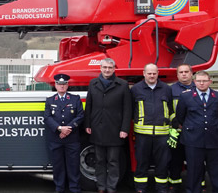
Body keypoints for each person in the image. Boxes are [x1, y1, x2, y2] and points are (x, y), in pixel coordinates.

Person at [85, 58, 132, 193]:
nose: (107, 70)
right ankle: (101, 186)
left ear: (114, 69)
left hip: (115, 130)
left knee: (113, 161)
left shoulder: (122, 85)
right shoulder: (93, 83)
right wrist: (87, 124)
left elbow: (127, 109)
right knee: (99, 161)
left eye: (110, 68)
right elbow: (89, 105)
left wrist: (124, 129)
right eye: (104, 67)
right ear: (100, 68)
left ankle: (111, 187)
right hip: (97, 129)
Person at [131, 63, 173, 193]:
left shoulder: (166, 88)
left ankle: (161, 188)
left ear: (158, 74)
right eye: (149, 73)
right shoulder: (135, 89)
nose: (152, 76)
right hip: (142, 135)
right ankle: (140, 188)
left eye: (154, 73)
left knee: (162, 163)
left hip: (162, 134)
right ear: (144, 74)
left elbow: (170, 109)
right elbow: (131, 110)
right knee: (142, 163)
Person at [176, 71, 218, 193]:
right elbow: (180, 116)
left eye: (204, 81)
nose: (201, 83)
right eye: (199, 81)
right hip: (193, 141)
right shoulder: (186, 96)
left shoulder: (216, 96)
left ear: (210, 81)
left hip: (214, 140)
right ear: (194, 82)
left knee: (215, 172)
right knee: (194, 173)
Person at [44, 74, 84, 193]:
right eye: (59, 84)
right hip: (56, 139)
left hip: (72, 139)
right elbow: (47, 118)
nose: (62, 86)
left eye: (64, 84)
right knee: (58, 166)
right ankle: (59, 188)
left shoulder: (75, 99)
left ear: (67, 85)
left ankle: (75, 188)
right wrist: (60, 128)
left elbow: (80, 116)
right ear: (55, 85)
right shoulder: (50, 100)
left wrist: (68, 129)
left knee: (73, 166)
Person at [168, 64, 194, 192]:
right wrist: (176, 122)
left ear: (191, 73)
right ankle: (174, 184)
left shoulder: (199, 88)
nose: (184, 74)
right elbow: (169, 109)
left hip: (195, 132)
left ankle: (199, 184)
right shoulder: (171, 90)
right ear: (177, 75)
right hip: (177, 131)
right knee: (175, 160)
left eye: (186, 72)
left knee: (195, 161)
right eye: (181, 72)